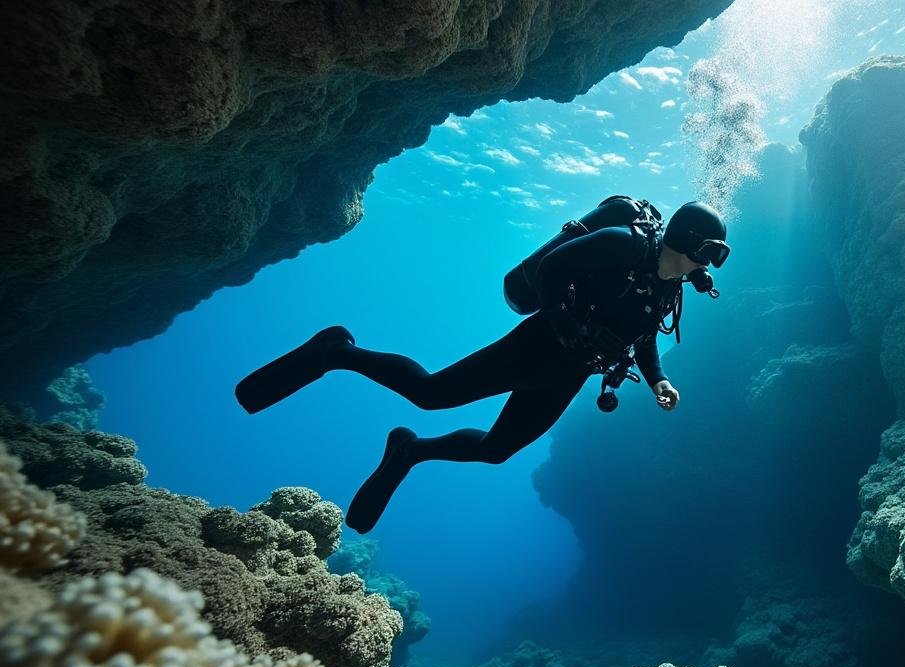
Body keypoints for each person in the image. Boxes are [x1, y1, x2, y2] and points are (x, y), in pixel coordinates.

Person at [234, 199, 730, 533]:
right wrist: (559, 315)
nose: (709, 265)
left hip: (569, 374)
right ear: (686, 238)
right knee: (430, 394)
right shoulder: (623, 242)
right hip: (536, 346)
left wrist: (661, 379)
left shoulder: (669, 288)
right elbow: (551, 269)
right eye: (710, 251)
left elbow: (642, 338)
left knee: (496, 451)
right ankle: (336, 350)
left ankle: (410, 451)